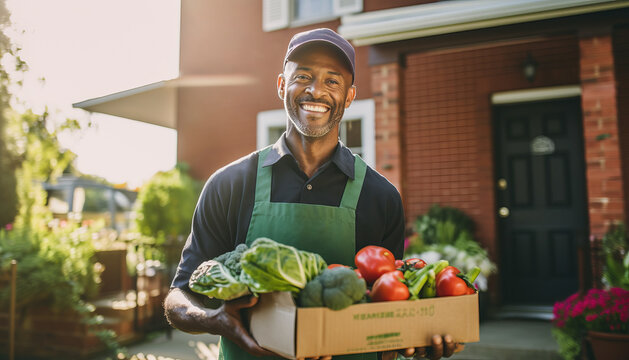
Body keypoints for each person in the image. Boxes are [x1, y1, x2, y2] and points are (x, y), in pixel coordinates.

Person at [164, 28, 460, 360]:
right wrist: (215, 321)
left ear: (349, 97)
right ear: (281, 86)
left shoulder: (380, 196)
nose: (315, 90)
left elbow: (387, 314)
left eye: (332, 81)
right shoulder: (229, 184)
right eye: (303, 76)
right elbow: (180, 297)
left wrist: (418, 339)